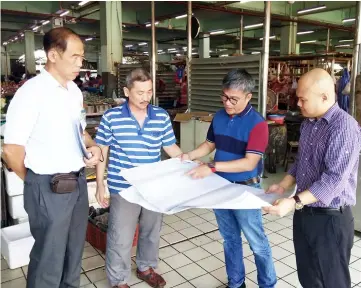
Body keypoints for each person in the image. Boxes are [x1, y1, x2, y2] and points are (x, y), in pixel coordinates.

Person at [2, 27, 102, 288]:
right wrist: (35, 181)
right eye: (76, 57)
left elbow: (79, 131)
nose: (81, 64)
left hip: (78, 183)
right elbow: (11, 151)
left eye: (82, 57)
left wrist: (91, 147)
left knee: (73, 252)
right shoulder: (31, 93)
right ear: (53, 55)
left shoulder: (74, 92)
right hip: (47, 185)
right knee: (49, 258)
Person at [264, 68, 361, 288]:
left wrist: (294, 201)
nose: (298, 104)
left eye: (302, 99)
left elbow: (333, 180)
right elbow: (302, 163)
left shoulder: (344, 127)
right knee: (308, 277)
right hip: (305, 213)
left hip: (330, 220)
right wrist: (283, 185)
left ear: (324, 97)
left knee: (331, 281)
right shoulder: (309, 123)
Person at [181, 68, 277, 288]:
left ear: (248, 97)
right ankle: (236, 283)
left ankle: (268, 284)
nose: (227, 103)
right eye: (224, 97)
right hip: (220, 187)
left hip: (245, 190)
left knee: (257, 242)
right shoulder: (219, 116)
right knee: (230, 239)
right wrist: (189, 155)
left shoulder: (258, 125)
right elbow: (209, 144)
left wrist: (212, 166)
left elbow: (249, 163)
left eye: (233, 99)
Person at [95, 68, 183, 288]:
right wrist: (99, 184)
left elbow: (170, 146)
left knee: (151, 231)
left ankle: (145, 267)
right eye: (140, 92)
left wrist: (189, 161)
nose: (146, 97)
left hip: (153, 186)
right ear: (126, 91)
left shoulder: (161, 116)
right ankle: (118, 280)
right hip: (124, 187)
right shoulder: (112, 117)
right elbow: (102, 151)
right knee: (120, 236)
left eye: (149, 91)